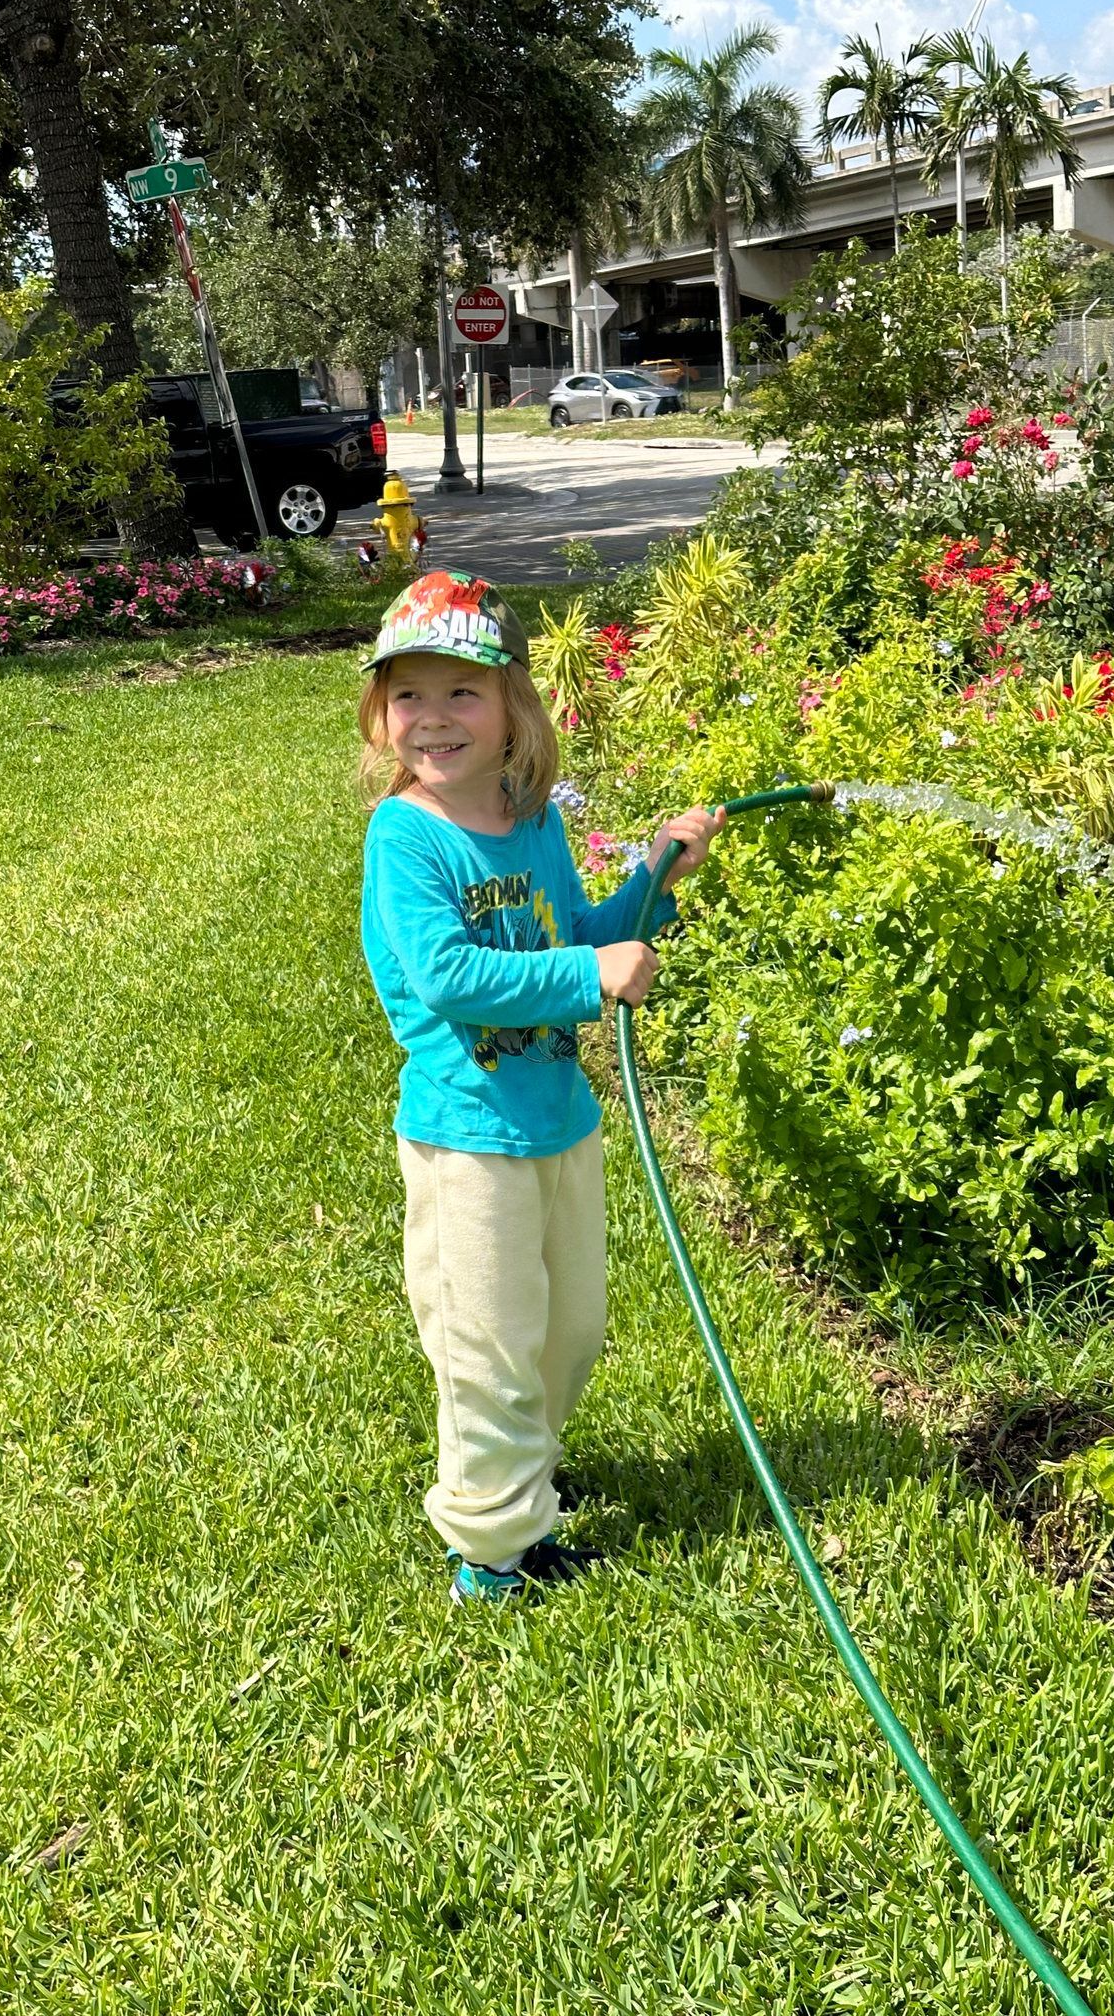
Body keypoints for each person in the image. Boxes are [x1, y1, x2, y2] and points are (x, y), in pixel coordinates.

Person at [358, 569, 723, 1605]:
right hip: (469, 1135)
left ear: (515, 703)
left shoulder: (533, 823)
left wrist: (653, 878)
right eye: (408, 694)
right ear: (382, 714)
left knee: (571, 1329)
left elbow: (579, 942)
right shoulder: (407, 837)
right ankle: (490, 1546)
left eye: (461, 691)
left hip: (560, 1123)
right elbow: (452, 978)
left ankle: (527, 1472)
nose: (433, 716)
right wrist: (584, 978)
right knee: (487, 1344)